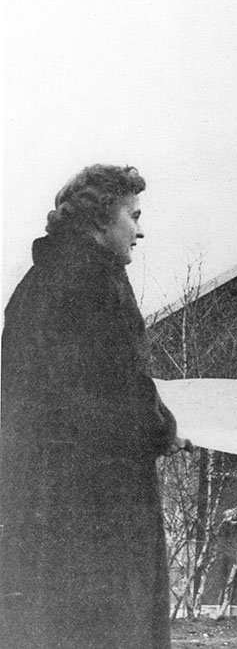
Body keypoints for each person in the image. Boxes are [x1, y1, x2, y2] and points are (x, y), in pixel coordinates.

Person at [0, 164, 189, 649]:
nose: (140, 230)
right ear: (102, 218)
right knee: (112, 625)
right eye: (134, 215)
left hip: (36, 500)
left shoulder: (32, 287)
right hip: (103, 504)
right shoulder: (101, 281)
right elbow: (121, 384)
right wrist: (164, 430)